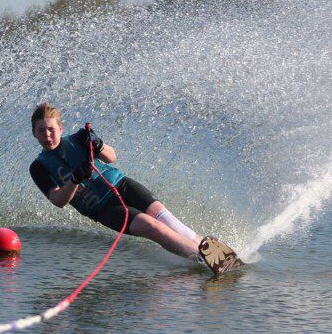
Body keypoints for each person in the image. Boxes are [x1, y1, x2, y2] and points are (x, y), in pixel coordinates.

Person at [28, 103, 241, 274]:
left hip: (122, 184)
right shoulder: (38, 167)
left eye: (51, 129)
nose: (47, 135)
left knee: (167, 219)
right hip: (104, 209)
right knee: (151, 226)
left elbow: (111, 157)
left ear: (60, 129)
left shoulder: (77, 139)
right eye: (41, 131)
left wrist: (98, 144)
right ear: (34, 134)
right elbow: (58, 201)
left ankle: (214, 252)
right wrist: (74, 179)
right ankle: (204, 260)